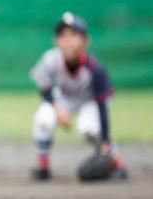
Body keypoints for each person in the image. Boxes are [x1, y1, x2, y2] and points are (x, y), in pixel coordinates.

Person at [29, 12, 127, 181]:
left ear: (85, 40)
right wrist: (57, 108)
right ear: (56, 40)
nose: (68, 41)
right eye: (62, 35)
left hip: (89, 101)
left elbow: (102, 107)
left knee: (88, 128)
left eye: (74, 35)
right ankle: (43, 168)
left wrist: (104, 141)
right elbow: (44, 88)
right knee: (43, 119)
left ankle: (117, 163)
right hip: (64, 98)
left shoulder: (95, 69)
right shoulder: (50, 60)